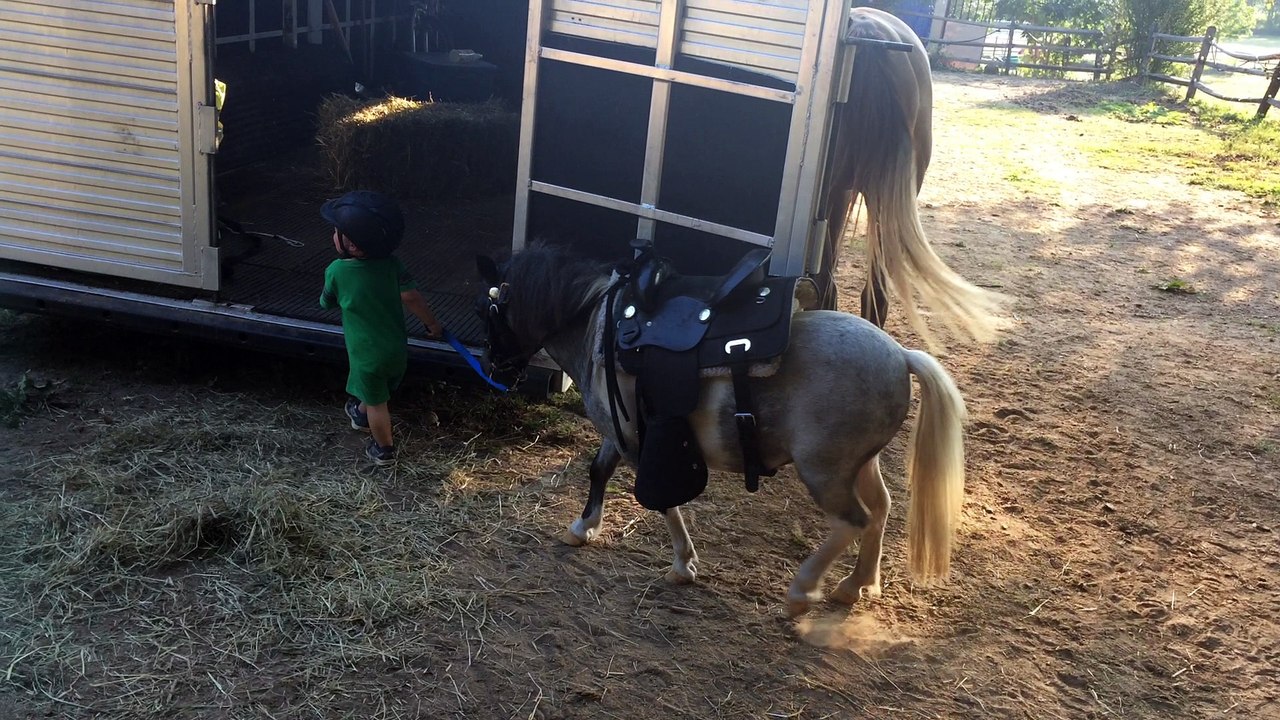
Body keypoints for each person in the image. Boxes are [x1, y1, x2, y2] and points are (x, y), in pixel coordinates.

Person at [318, 191, 444, 467]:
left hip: (366, 353)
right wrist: (432, 324)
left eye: (337, 231)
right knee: (377, 390)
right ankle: (360, 413)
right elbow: (411, 297)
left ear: (350, 244)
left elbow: (326, 301)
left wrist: (332, 298)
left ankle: (383, 449)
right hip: (396, 349)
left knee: (378, 403)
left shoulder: (336, 271)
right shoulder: (393, 265)